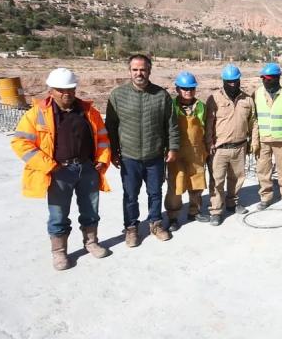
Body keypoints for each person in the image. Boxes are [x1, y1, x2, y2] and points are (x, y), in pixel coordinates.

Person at [11, 68, 112, 270]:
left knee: (91, 210)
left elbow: (102, 138)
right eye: (61, 90)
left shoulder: (88, 112)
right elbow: (20, 142)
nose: (67, 94)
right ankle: (59, 253)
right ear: (51, 91)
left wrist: (102, 159)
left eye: (71, 89)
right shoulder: (37, 114)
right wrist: (49, 166)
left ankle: (91, 242)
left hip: (87, 169)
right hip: (58, 172)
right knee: (58, 214)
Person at [106, 54, 179, 247]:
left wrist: (172, 147)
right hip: (129, 157)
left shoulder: (161, 95)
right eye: (135, 69)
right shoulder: (117, 95)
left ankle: (155, 223)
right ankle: (131, 228)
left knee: (155, 193)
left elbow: (171, 124)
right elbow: (111, 127)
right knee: (130, 195)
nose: (139, 73)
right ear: (129, 71)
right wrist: (112, 152)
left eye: (143, 69)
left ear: (149, 71)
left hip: (154, 155)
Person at [204, 64, 258, 225]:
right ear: (224, 81)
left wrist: (253, 141)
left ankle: (232, 202)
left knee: (237, 178)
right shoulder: (214, 98)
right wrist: (208, 142)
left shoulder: (247, 99)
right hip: (219, 148)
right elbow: (208, 123)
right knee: (217, 181)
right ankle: (216, 210)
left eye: (235, 80)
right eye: (229, 81)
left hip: (240, 147)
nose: (233, 83)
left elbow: (253, 122)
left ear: (239, 80)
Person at [164, 71, 207, 231]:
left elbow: (206, 129)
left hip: (196, 152)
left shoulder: (201, 106)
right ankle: (173, 217)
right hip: (176, 152)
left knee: (197, 184)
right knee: (176, 185)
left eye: (191, 88)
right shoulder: (171, 106)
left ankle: (194, 211)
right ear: (177, 89)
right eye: (184, 88)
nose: (188, 91)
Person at [253, 62, 282, 209]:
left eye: (269, 78)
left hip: (281, 139)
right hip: (263, 139)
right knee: (263, 170)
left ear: (277, 78)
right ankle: (266, 197)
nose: (266, 81)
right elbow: (253, 118)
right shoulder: (257, 93)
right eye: (264, 78)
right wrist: (254, 140)